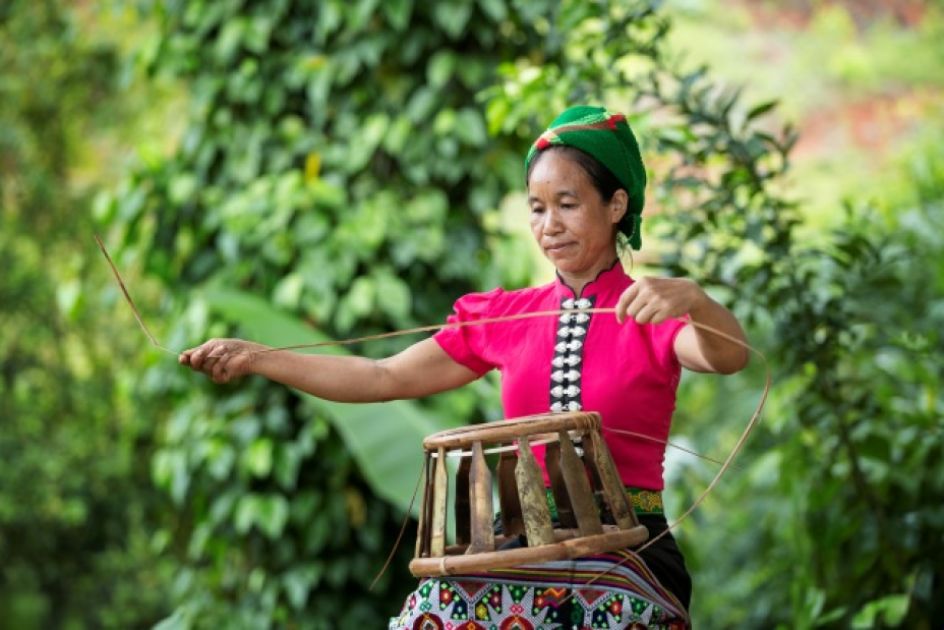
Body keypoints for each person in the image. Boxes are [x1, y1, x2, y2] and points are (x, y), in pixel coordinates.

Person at [180, 105, 749, 628]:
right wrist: (259, 358)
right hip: (516, 550)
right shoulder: (502, 317)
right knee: (433, 613)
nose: (549, 224)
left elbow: (727, 357)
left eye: (568, 204)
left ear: (616, 204)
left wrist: (696, 302)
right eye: (537, 207)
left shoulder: (654, 309)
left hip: (631, 553)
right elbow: (385, 378)